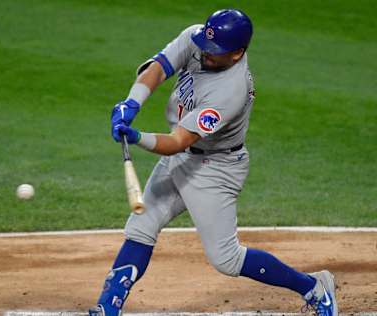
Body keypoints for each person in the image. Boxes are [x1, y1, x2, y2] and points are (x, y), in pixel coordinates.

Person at [89, 9, 338, 316]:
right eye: (205, 45)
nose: (205, 53)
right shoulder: (199, 38)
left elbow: (178, 142)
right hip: (182, 156)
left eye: (215, 51)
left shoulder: (231, 91)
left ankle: (314, 287)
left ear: (237, 54)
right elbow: (158, 68)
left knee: (227, 259)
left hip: (215, 169)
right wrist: (131, 103)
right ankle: (107, 306)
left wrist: (137, 136)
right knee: (142, 226)